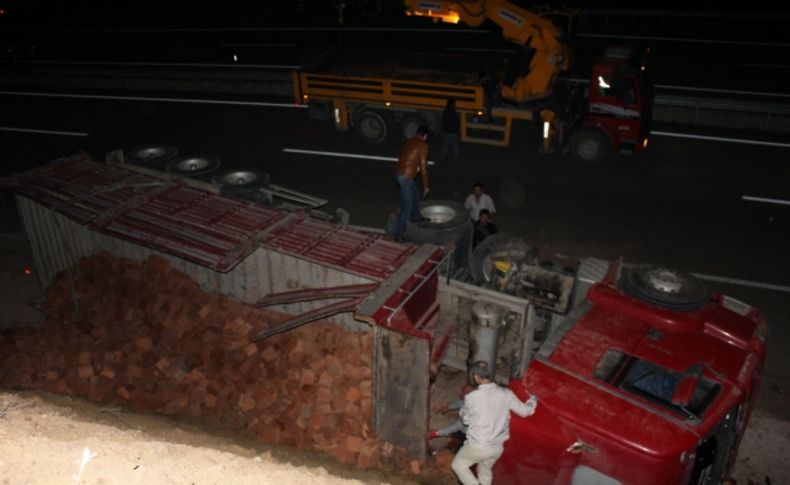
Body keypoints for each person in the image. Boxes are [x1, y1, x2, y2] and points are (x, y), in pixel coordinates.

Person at [451, 361, 537, 485]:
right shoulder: (506, 393)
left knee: (458, 465)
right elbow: (525, 412)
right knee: (484, 470)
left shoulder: (472, 397)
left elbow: (465, 419)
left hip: (478, 445)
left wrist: (464, 409)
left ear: (476, 376)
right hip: (497, 448)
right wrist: (533, 399)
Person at [393, 125, 430, 242]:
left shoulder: (410, 141)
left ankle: (417, 217)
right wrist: (426, 186)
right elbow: (423, 168)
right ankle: (398, 235)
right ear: (425, 136)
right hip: (406, 177)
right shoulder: (423, 145)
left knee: (415, 193)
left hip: (399, 173)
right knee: (406, 206)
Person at [440, 98, 461, 163]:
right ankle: (456, 160)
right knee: (455, 147)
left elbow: (443, 122)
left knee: (445, 146)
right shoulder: (454, 113)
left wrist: (443, 130)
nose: (455, 105)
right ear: (452, 105)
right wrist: (458, 132)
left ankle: (443, 158)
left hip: (446, 132)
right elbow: (456, 123)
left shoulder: (445, 112)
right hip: (453, 132)